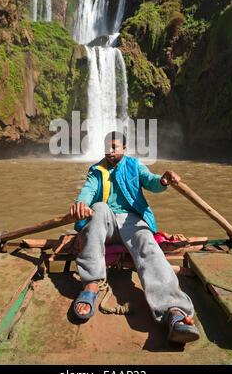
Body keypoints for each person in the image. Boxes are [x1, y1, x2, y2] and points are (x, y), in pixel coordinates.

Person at [70, 131, 200, 343]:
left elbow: (151, 181)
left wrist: (164, 180)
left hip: (132, 220)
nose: (110, 150)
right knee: (99, 207)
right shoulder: (96, 170)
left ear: (124, 149)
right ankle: (91, 284)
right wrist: (81, 204)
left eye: (115, 146)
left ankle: (173, 310)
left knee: (148, 245)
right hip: (106, 223)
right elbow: (87, 190)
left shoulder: (134, 166)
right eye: (107, 147)